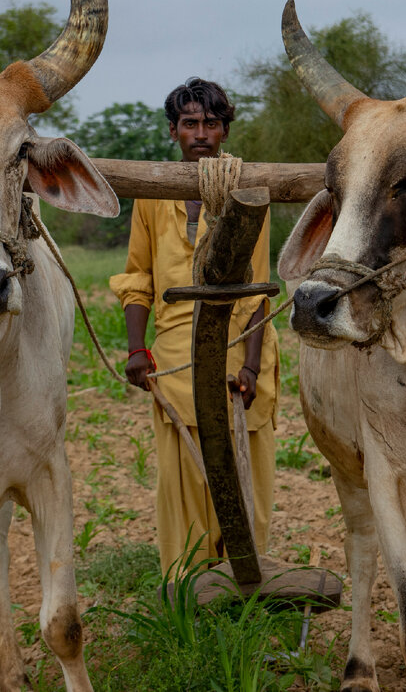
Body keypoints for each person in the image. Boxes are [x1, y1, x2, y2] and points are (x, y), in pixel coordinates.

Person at [109, 77, 279, 577]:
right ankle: (189, 593)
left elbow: (259, 287)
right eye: (189, 123)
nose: (200, 132)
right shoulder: (149, 195)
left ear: (224, 131)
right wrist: (136, 349)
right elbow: (138, 275)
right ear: (173, 131)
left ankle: (246, 592)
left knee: (245, 485)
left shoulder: (248, 193)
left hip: (237, 358)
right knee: (181, 491)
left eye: (210, 123)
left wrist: (251, 365)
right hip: (175, 362)